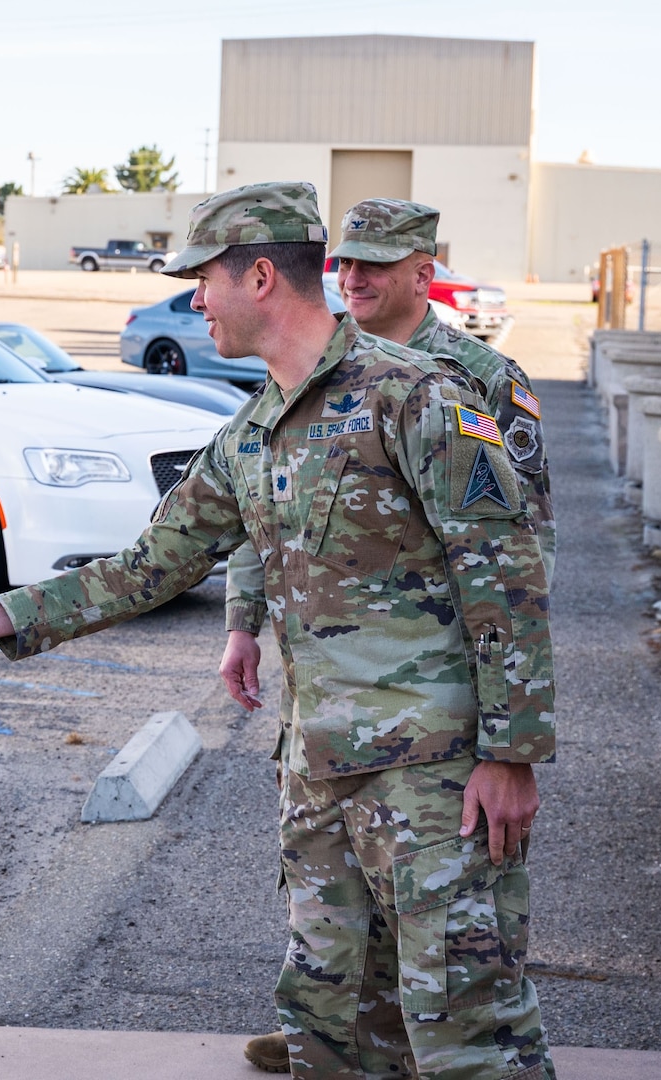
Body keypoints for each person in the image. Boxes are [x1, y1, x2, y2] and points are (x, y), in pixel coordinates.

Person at [0, 182, 557, 1080]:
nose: (193, 300)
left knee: (467, 1030)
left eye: (203, 279)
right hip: (319, 773)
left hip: (436, 779)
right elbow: (151, 566)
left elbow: (509, 576)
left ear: (259, 277)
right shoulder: (251, 434)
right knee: (330, 1028)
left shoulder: (418, 397)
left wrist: (511, 752)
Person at [223, 199, 558, 1074]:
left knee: (453, 931)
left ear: (425, 268)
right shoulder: (311, 371)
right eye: (346, 262)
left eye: (378, 262)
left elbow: (518, 561)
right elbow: (269, 511)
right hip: (337, 702)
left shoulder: (477, 381)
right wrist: (242, 620)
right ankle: (336, 1034)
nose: (356, 277)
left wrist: (501, 732)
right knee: (338, 901)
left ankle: (434, 1042)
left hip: (436, 707)